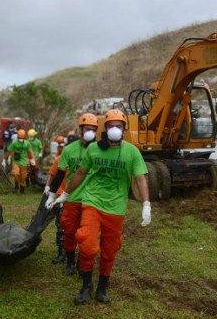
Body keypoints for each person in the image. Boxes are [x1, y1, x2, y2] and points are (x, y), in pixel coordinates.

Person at [50, 109, 151, 305]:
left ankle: (102, 288)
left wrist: (146, 204)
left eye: (118, 126)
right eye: (111, 126)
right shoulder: (94, 149)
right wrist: (65, 194)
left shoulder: (132, 152)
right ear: (105, 128)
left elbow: (140, 178)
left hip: (116, 208)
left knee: (110, 250)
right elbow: (80, 173)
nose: (115, 129)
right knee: (87, 244)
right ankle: (86, 287)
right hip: (92, 202)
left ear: (124, 129)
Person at [45, 113, 98, 276]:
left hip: (91, 200)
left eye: (93, 129)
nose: (90, 132)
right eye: (87, 128)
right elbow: (60, 173)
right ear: (80, 129)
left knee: (87, 235)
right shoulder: (69, 150)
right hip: (71, 198)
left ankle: (82, 262)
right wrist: (52, 194)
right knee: (68, 232)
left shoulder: (100, 150)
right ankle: (69, 260)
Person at [43, 135, 67, 264]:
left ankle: (71, 252)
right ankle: (61, 252)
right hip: (60, 196)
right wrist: (48, 187)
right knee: (61, 225)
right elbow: (52, 174)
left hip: (76, 197)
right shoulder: (60, 159)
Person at [4, 129, 35, 194]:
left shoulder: (27, 143)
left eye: (22, 137)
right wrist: (5, 159)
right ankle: (17, 185)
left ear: (24, 136)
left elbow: (30, 152)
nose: (21, 138)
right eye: (20, 136)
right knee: (15, 173)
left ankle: (22, 189)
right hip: (16, 161)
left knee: (23, 176)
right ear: (17, 136)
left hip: (24, 162)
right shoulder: (14, 143)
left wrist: (32, 159)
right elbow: (9, 151)